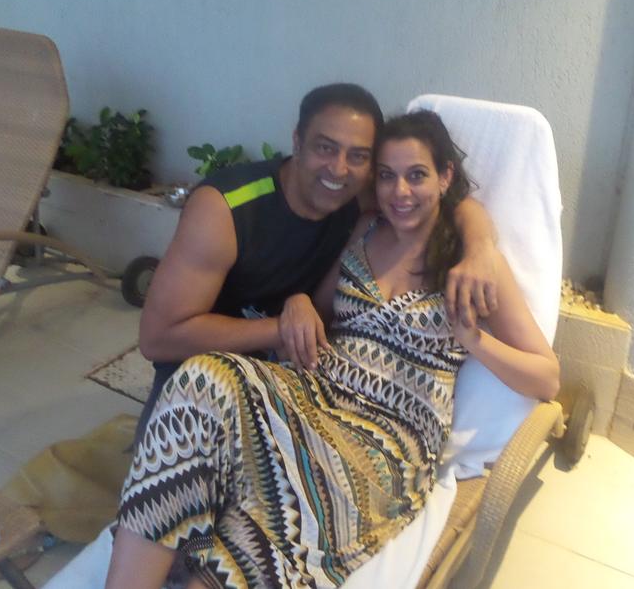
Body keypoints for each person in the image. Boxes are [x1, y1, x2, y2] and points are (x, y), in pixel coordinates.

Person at [107, 110, 560, 589]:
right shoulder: (365, 230)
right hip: (314, 394)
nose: (400, 192)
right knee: (202, 379)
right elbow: (319, 313)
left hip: (384, 444)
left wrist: (475, 340)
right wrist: (299, 303)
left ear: (445, 177)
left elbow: (547, 378)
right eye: (386, 176)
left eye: (417, 175)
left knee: (270, 528)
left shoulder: (471, 265)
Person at [134, 84, 500, 441]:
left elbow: (446, 200)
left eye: (358, 156)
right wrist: (282, 328)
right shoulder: (225, 209)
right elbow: (158, 338)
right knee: (178, 454)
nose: (338, 169)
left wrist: (480, 248)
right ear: (297, 142)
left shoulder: (356, 193)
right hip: (204, 364)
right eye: (326, 148)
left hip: (300, 378)